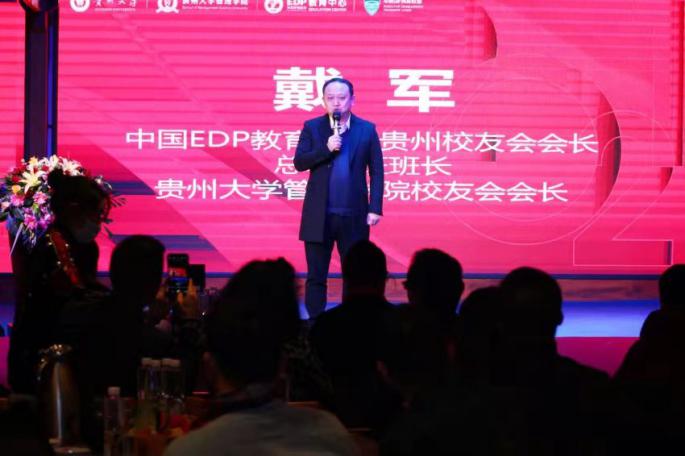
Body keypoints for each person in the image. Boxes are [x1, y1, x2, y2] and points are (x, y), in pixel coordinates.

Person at [164, 258, 358, 456]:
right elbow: (325, 390)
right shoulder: (332, 436)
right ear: (282, 363)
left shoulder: (187, 449)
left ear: (210, 365)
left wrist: (190, 322)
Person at [9, 169, 111, 394]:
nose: (98, 222)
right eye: (95, 214)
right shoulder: (52, 245)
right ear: (74, 210)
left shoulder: (85, 247)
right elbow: (71, 295)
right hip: (45, 349)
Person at [294, 77, 384, 321]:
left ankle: (350, 324)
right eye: (330, 98)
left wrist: (375, 207)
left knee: (354, 275)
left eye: (342, 98)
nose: (336, 103)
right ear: (323, 101)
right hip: (319, 216)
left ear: (352, 100)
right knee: (316, 276)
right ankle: (315, 324)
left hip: (354, 215)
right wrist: (326, 148)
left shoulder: (367, 129)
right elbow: (299, 162)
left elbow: (376, 170)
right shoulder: (313, 127)